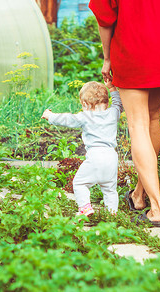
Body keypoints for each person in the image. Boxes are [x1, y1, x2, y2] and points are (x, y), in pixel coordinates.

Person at [89, 0, 160, 227]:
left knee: (138, 125)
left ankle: (157, 210)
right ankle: (139, 195)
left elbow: (105, 18)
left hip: (133, 45)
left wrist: (107, 58)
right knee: (152, 119)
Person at [42, 80, 123, 216]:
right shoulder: (113, 113)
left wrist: (50, 116)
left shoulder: (86, 116)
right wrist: (112, 88)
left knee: (79, 183)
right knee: (110, 190)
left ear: (85, 104)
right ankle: (112, 215)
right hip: (111, 157)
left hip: (96, 156)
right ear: (106, 102)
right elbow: (119, 104)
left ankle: (85, 209)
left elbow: (67, 119)